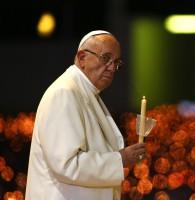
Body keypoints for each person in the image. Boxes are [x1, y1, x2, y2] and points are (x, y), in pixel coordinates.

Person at [25, 30, 146, 200]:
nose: (112, 68)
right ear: (82, 58)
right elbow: (67, 164)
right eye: (106, 58)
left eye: (116, 62)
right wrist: (121, 159)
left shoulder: (85, 93)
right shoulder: (64, 93)